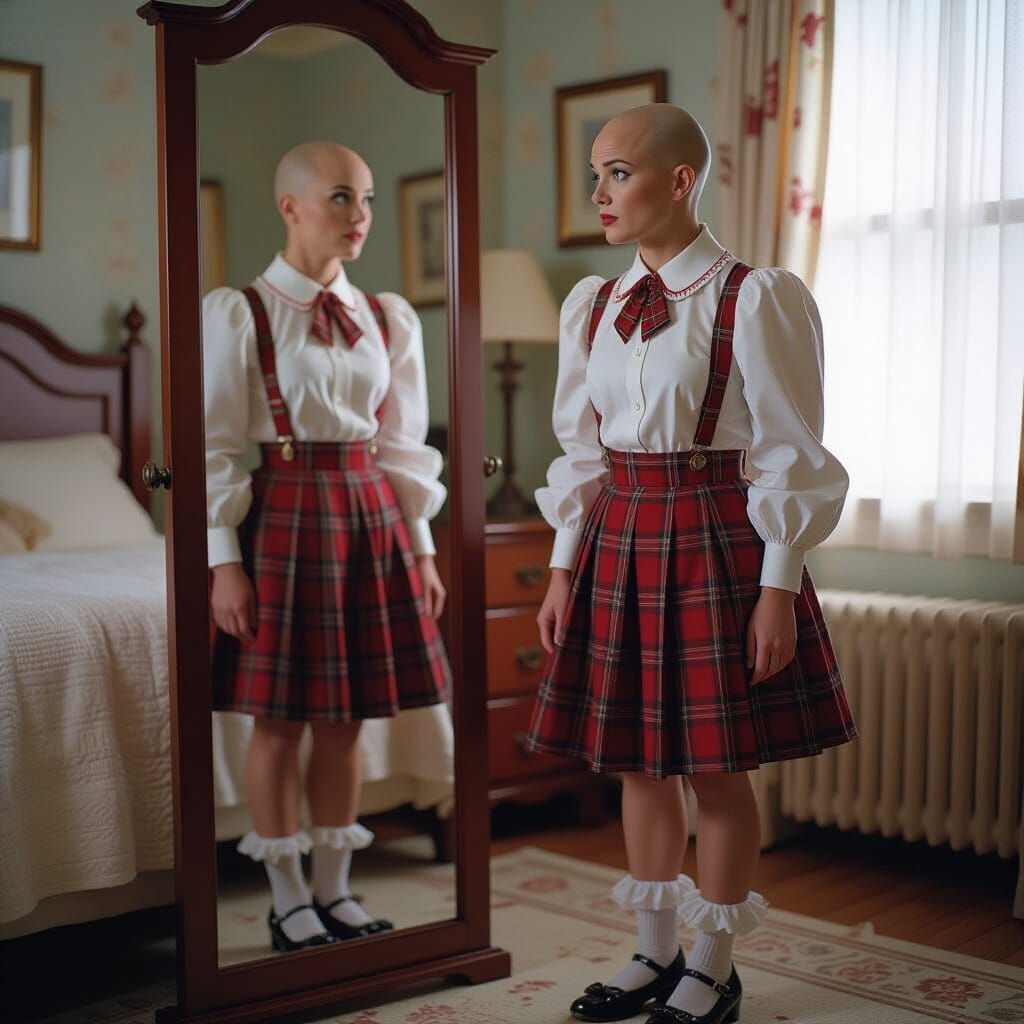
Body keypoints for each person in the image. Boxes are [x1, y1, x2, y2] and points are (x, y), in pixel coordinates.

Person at [528, 104, 858, 1024]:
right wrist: (562, 566)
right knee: (638, 764)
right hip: (619, 536)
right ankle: (653, 953)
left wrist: (778, 589)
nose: (599, 192)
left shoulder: (755, 295)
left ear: (681, 180)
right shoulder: (590, 303)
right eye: (595, 173)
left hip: (716, 539)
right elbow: (581, 452)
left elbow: (794, 451)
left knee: (715, 770)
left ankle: (712, 967)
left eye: (619, 172)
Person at [203, 141, 450, 952]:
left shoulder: (387, 315)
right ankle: (286, 900)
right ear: (291, 207)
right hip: (282, 513)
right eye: (342, 197)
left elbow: (402, 442)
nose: (361, 216)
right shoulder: (239, 311)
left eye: (368, 198)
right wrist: (222, 563)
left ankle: (336, 892)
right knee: (277, 720)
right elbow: (209, 447)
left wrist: (421, 550)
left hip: (370, 512)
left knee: (346, 719)